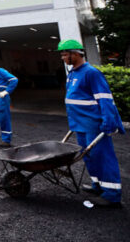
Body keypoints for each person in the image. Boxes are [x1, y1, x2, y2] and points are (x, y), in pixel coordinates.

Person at [58, 39, 124, 208]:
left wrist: (109, 121)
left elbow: (105, 98)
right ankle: (98, 186)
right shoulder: (73, 73)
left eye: (65, 54)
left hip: (94, 124)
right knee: (89, 156)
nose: (63, 58)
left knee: (103, 157)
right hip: (80, 123)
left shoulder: (91, 73)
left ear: (76, 54)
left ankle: (112, 195)